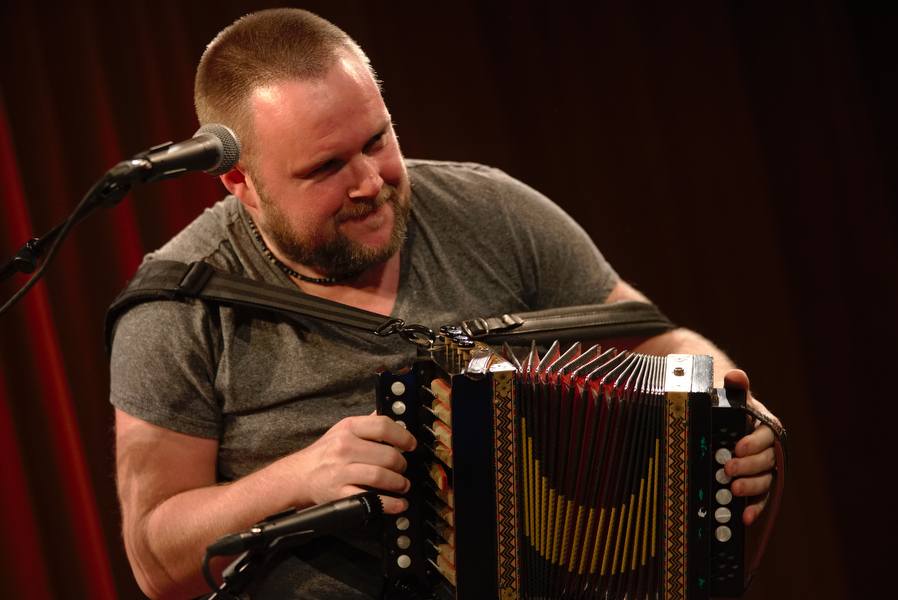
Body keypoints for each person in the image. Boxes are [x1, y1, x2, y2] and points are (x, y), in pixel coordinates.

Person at [109, 8, 780, 599]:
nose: (371, 183)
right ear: (241, 184)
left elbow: (661, 344)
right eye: (326, 167)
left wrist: (731, 412)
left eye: (377, 140)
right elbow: (155, 559)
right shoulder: (178, 302)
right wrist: (300, 476)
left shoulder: (492, 212)